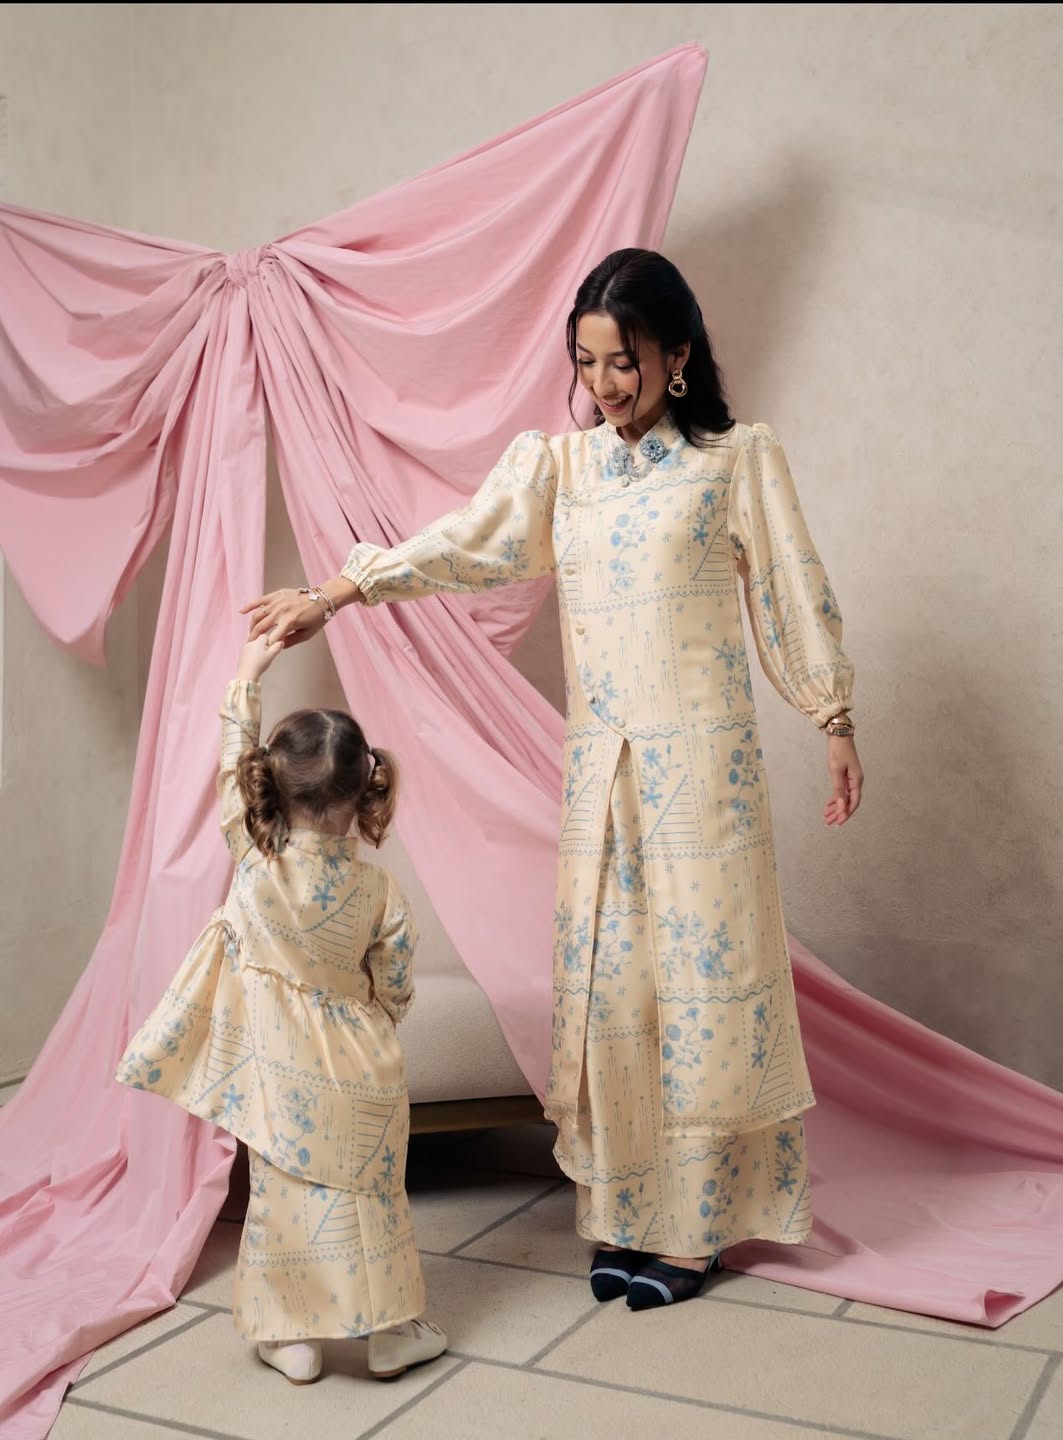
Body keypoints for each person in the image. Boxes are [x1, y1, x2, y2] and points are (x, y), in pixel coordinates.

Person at [244, 248, 864, 1311]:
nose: (605, 386)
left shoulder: (734, 459)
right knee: (615, 997)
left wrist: (834, 714)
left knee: (701, 998)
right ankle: (627, 1213)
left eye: (623, 362)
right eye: (587, 365)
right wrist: (340, 591)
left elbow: (794, 588)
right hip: (604, 778)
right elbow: (463, 545)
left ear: (676, 354)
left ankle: (696, 1228)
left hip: (704, 776)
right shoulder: (561, 471)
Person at [115, 635, 447, 1382]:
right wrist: (372, 1017)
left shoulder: (255, 858)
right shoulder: (378, 892)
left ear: (273, 786)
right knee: (373, 1200)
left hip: (281, 1070)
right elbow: (395, 981)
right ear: (365, 795)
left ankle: (291, 1338)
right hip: (367, 1066)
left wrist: (246, 677)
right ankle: (391, 1329)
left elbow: (228, 770)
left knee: (286, 1198)